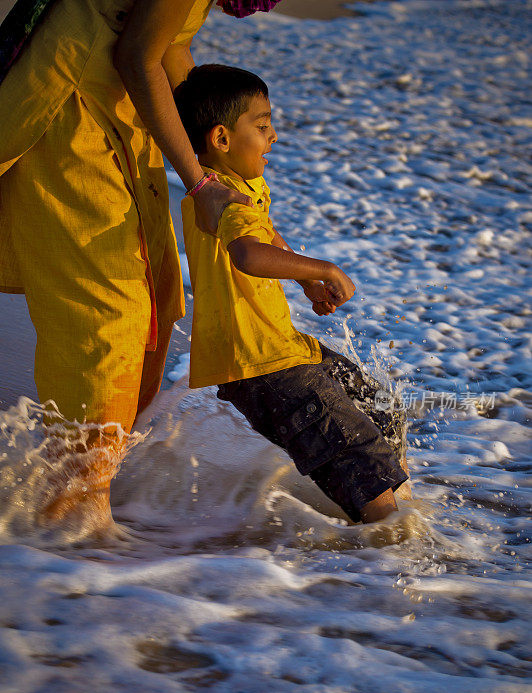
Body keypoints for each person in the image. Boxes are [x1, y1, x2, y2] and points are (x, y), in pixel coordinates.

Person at [0, 0, 283, 535]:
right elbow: (137, 55)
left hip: (126, 110)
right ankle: (70, 522)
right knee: (108, 314)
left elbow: (169, 45)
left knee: (156, 304)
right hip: (72, 103)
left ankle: (84, 499)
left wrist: (216, 151)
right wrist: (199, 183)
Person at [175, 64, 410, 523]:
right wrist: (323, 267)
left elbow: (265, 236)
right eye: (262, 127)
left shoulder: (244, 186)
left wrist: (304, 281)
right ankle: (388, 545)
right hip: (260, 361)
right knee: (353, 449)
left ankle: (392, 512)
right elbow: (247, 254)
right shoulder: (224, 198)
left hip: (280, 348)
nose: (274, 136)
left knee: (382, 411)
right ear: (221, 139)